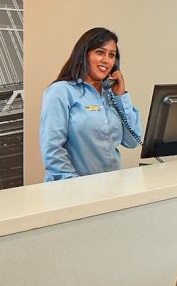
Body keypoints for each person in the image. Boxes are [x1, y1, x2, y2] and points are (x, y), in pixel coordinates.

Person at [40, 27, 143, 180]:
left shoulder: (111, 94)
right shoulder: (61, 91)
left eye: (112, 55)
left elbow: (132, 141)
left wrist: (121, 96)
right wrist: (73, 186)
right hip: (73, 191)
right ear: (84, 54)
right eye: (100, 52)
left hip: (112, 187)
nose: (106, 60)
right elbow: (52, 148)